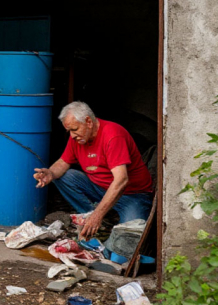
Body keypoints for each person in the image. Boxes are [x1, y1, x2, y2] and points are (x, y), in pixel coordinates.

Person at [33, 101, 153, 239]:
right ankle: (95, 217)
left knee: (125, 244)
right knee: (64, 177)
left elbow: (121, 180)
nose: (72, 136)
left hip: (132, 196)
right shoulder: (78, 138)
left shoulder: (113, 135)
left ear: (88, 122)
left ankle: (97, 217)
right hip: (101, 189)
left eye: (75, 129)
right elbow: (63, 162)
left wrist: (97, 215)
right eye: (69, 131)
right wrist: (50, 173)